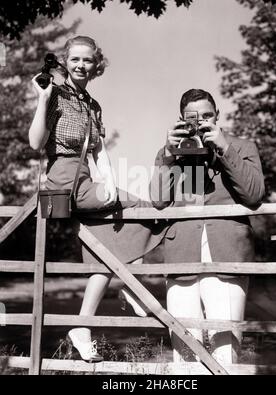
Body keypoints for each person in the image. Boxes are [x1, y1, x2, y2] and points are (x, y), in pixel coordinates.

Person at [29, 35, 164, 362]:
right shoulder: (55, 94)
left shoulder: (91, 105)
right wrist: (42, 99)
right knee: (148, 209)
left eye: (87, 60)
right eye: (74, 59)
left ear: (95, 64)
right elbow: (35, 143)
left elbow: (99, 150)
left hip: (88, 179)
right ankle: (132, 286)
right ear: (65, 60)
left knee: (105, 256)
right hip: (64, 179)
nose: (80, 65)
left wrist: (109, 183)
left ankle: (82, 326)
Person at [149, 88, 265, 365]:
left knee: (225, 348)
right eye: (193, 117)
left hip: (227, 254)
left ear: (217, 116)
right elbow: (158, 199)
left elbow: (254, 194)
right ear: (181, 119)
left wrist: (224, 148)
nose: (200, 122)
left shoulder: (242, 146)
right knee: (184, 348)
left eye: (207, 116)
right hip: (182, 255)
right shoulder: (171, 151)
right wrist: (168, 153)